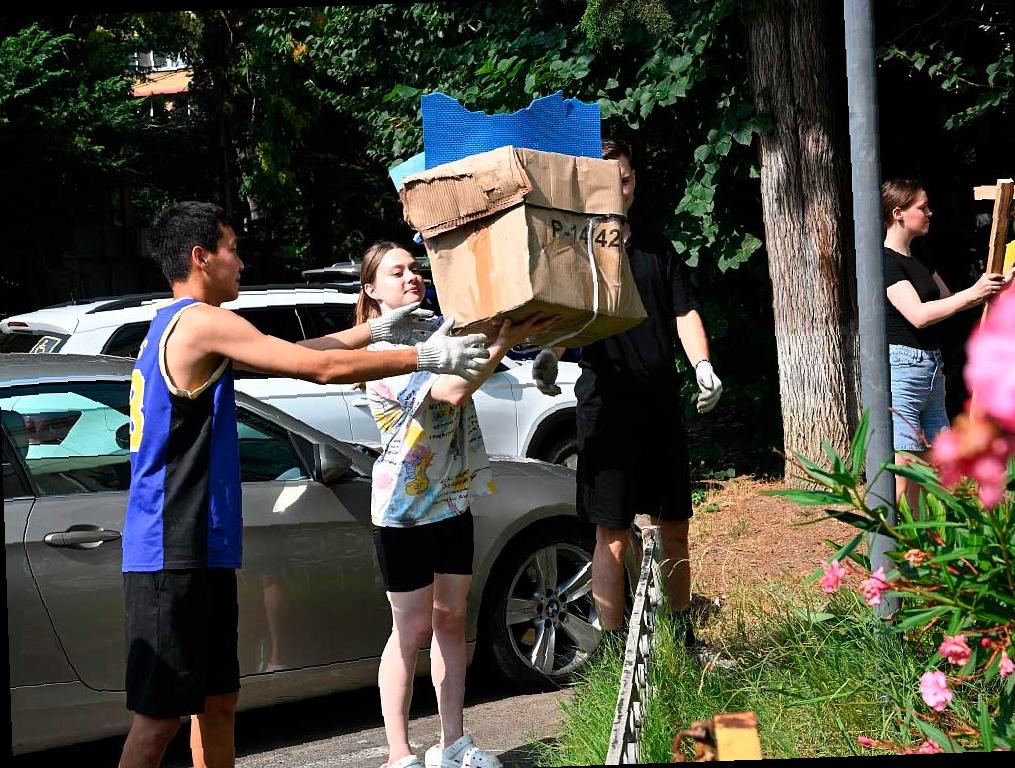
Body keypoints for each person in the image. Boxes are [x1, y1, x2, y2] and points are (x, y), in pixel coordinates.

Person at [118, 202, 491, 768]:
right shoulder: (199, 321)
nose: (241, 262)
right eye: (232, 249)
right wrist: (424, 354)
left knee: (217, 703)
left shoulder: (182, 324)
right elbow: (319, 370)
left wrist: (374, 331)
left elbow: (294, 355)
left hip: (201, 546)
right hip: (171, 548)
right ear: (201, 257)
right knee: (158, 721)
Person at [354, 241, 556, 768]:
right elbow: (450, 392)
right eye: (396, 272)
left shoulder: (435, 331)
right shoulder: (382, 350)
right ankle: (399, 754)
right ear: (371, 290)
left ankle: (453, 743)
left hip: (451, 502)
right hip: (403, 512)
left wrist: (518, 332)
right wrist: (502, 344)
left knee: (451, 621)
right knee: (410, 631)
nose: (411, 277)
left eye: (415, 268)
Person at [532, 138, 725, 662]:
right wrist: (550, 353)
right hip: (605, 409)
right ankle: (614, 653)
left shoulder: (658, 249)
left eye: (627, 178)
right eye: (610, 180)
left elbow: (684, 312)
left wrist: (702, 365)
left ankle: (682, 639)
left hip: (659, 405)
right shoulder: (573, 251)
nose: (621, 188)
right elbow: (563, 317)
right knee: (612, 535)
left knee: (675, 528)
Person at [881, 179, 1009, 512]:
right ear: (898, 213)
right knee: (904, 470)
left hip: (930, 370)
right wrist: (974, 293)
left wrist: (994, 286)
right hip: (903, 371)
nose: (929, 213)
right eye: (922, 207)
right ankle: (887, 542)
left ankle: (922, 540)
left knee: (934, 467)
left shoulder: (919, 259)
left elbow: (950, 301)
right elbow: (919, 315)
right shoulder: (885, 263)